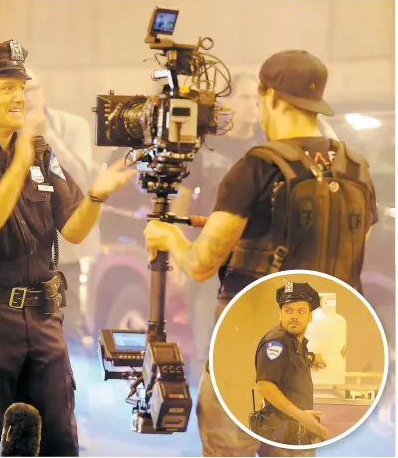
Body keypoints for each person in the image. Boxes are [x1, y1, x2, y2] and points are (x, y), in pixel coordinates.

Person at [144, 49, 378, 456]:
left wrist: (167, 238)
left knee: (227, 447)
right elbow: (356, 252)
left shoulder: (258, 166)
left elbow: (201, 264)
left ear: (269, 95)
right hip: (319, 345)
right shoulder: (356, 168)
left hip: (248, 342)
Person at [0, 40, 134, 457]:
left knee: (59, 435)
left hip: (43, 316)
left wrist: (96, 196)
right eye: (7, 87)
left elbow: (72, 230)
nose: (20, 96)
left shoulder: (39, 153)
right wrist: (18, 165)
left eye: (23, 87)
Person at [183, 70, 265, 384]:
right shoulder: (206, 146)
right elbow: (183, 200)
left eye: (256, 97)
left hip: (253, 261)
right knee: (205, 345)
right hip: (211, 257)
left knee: (250, 347)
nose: (252, 104)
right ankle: (199, 422)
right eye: (244, 96)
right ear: (227, 102)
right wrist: (178, 254)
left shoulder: (266, 144)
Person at [23, 65, 99, 350]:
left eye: (33, 89)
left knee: (68, 324)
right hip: (24, 252)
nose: (28, 97)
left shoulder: (72, 125)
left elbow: (79, 178)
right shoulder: (5, 132)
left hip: (65, 250)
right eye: (21, 90)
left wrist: (45, 138)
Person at [251, 281, 328, 448]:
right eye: (288, 311)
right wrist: (301, 416)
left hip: (293, 435)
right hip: (281, 437)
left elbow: (291, 365)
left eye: (301, 311)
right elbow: (264, 385)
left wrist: (312, 358)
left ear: (310, 316)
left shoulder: (294, 342)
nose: (294, 316)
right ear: (281, 314)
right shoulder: (276, 343)